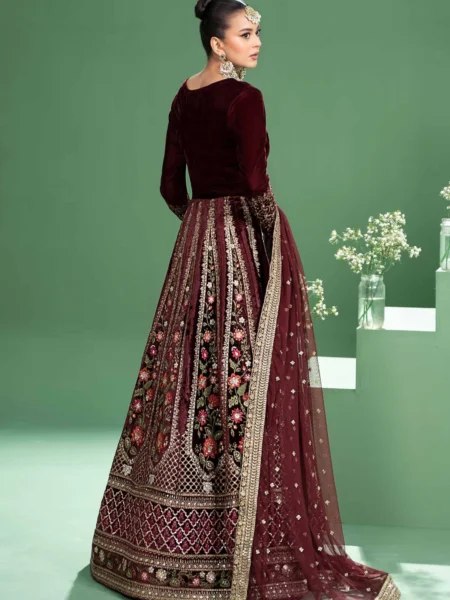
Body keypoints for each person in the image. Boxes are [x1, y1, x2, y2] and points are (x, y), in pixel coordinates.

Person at [89, 1, 401, 599]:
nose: (256, 42)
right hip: (237, 239)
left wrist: (199, 226)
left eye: (258, 32)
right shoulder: (245, 98)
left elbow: (169, 185)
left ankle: (148, 546)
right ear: (217, 43)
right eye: (245, 33)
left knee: (181, 378)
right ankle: (238, 535)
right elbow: (256, 183)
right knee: (239, 376)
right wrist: (265, 235)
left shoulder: (183, 96)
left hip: (194, 243)